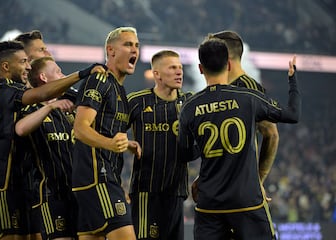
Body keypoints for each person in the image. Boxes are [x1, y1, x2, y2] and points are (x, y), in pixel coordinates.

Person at [178, 37, 300, 239]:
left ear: (200, 68)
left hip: (210, 202)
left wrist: (205, 145)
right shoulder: (247, 98)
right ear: (228, 64)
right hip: (246, 200)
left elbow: (184, 154)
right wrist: (292, 80)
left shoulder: (190, 107)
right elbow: (293, 115)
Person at [0, 40, 100, 240]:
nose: (28, 66)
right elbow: (41, 95)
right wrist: (82, 73)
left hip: (22, 186)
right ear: (6, 66)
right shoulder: (11, 91)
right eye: (25, 60)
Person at [191, 30, 279, 202]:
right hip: (218, 189)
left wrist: (258, 180)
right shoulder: (222, 88)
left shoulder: (250, 88)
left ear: (226, 56)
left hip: (242, 192)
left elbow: (272, 134)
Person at [72, 26, 141, 240]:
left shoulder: (119, 90)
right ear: (110, 50)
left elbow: (105, 131)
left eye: (137, 46)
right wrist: (111, 144)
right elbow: (80, 128)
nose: (135, 50)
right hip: (97, 179)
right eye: (128, 44)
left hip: (102, 179)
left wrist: (126, 144)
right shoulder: (100, 80)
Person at [127, 50, 193, 240]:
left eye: (180, 67)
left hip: (177, 193)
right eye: (172, 68)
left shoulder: (189, 102)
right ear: (157, 74)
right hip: (147, 192)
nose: (179, 72)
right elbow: (112, 131)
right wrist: (125, 144)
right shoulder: (137, 101)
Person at [15, 56, 78, 240]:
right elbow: (20, 129)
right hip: (51, 196)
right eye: (58, 71)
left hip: (77, 194)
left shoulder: (68, 109)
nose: (63, 75)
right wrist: (49, 108)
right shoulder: (31, 109)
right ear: (44, 77)